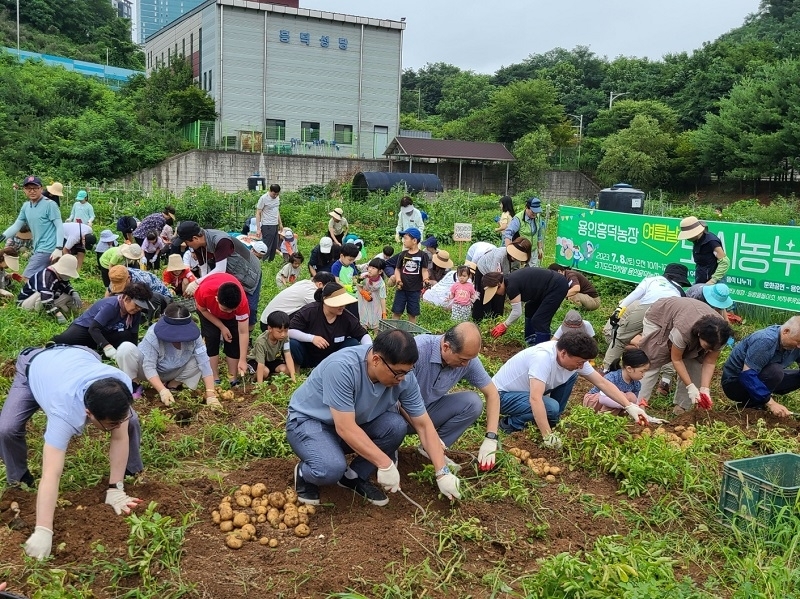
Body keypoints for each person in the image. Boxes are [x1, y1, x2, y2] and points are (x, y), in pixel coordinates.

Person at [286, 329, 461, 506]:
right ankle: (305, 473)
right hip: (310, 422)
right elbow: (345, 428)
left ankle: (353, 476)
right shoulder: (343, 368)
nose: (402, 379)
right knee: (330, 468)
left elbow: (423, 424)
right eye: (398, 373)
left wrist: (442, 472)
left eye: (407, 372)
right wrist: (385, 463)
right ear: (376, 360)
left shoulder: (404, 377)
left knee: (395, 426)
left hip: (350, 424)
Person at [0, 345, 143, 560]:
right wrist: (43, 529)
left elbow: (120, 436)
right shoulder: (63, 412)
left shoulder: (118, 382)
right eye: (110, 423)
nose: (117, 425)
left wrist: (116, 489)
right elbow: (51, 473)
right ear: (89, 414)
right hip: (35, 366)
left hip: (79, 354)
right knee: (6, 429)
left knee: (130, 421)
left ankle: (129, 472)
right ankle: (18, 481)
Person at [492, 331, 650, 446]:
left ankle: (552, 419)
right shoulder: (542, 358)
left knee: (572, 375)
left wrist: (629, 406)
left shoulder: (574, 359)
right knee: (551, 406)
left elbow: (602, 383)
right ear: (563, 353)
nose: (582, 365)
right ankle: (510, 424)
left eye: (584, 362)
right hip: (500, 396)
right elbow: (535, 398)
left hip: (523, 393)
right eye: (580, 362)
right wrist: (548, 436)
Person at [411, 324, 501, 471]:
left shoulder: (467, 361)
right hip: (401, 412)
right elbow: (396, 398)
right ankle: (389, 452)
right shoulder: (418, 350)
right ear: (446, 347)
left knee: (473, 403)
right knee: (394, 424)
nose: (466, 364)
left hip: (428, 410)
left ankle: (431, 451)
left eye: (469, 360)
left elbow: (492, 394)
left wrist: (491, 437)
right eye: (462, 360)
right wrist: (429, 433)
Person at [634, 297, 733, 414]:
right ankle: (638, 407)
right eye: (707, 346)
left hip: (685, 317)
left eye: (714, 348)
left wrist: (704, 388)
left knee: (695, 364)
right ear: (699, 334)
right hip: (660, 317)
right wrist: (690, 387)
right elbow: (676, 359)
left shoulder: (720, 336)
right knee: (652, 360)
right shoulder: (683, 331)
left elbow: (710, 362)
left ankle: (681, 409)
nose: (710, 350)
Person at [115, 303, 220, 408]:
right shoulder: (153, 334)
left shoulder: (194, 336)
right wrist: (162, 391)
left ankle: (172, 385)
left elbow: (204, 362)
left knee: (198, 359)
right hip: (144, 370)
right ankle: (134, 385)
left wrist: (210, 394)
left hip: (172, 372)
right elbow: (149, 366)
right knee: (125, 348)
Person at [601, 263, 691, 378]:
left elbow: (634, 295)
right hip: (672, 312)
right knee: (667, 345)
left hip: (649, 306)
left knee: (620, 337)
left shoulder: (653, 280)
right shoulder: (681, 293)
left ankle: (606, 370)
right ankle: (665, 380)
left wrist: (618, 311)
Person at [177, 222, 263, 329]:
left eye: (186, 242)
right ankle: (230, 330)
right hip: (230, 274)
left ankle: (247, 335)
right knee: (227, 303)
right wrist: (201, 286)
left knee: (249, 308)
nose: (186, 245)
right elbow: (204, 270)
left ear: (195, 238)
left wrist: (196, 282)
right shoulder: (198, 246)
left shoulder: (220, 240)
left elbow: (220, 270)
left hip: (248, 273)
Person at [721, 316, 800, 417]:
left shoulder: (795, 344)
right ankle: (753, 406)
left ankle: (762, 397)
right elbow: (746, 375)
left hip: (762, 376)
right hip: (735, 384)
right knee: (775, 372)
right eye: (798, 342)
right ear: (786, 331)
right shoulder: (766, 340)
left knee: (777, 373)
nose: (799, 346)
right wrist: (771, 403)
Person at [52, 283, 153, 360]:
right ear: (126, 299)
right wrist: (107, 346)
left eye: (140, 307)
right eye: (136, 305)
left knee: (125, 335)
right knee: (65, 340)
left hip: (108, 331)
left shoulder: (136, 313)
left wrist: (134, 352)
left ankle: (99, 352)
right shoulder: (111, 306)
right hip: (87, 328)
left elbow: (133, 334)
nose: (138, 309)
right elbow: (94, 329)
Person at [289, 282, 371, 368]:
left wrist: (368, 351)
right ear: (325, 300)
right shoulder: (309, 311)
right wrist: (312, 338)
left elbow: (363, 335)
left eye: (344, 303)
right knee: (293, 344)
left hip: (333, 359)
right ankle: (297, 366)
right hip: (308, 355)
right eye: (338, 303)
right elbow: (290, 331)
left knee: (353, 343)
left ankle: (335, 366)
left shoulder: (347, 317)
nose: (342, 306)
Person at [482, 267, 570, 346]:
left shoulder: (511, 286)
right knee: (529, 308)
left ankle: (543, 349)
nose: (496, 294)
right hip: (546, 289)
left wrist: (504, 325)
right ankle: (531, 340)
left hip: (556, 286)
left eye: (495, 291)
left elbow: (517, 312)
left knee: (540, 320)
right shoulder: (509, 280)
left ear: (498, 285)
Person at [1, 176, 64, 279]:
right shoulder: (26, 206)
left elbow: (59, 226)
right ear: (24, 190)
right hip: (38, 246)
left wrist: (59, 248)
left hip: (48, 247)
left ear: (41, 189)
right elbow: (16, 225)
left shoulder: (50, 205)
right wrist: (2, 236)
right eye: (28, 188)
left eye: (35, 188)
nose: (32, 191)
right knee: (46, 278)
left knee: (27, 278)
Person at [193, 273, 250, 385]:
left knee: (234, 338)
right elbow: (203, 310)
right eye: (225, 309)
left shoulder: (241, 303)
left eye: (232, 310)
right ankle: (214, 377)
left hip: (232, 317)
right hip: (209, 312)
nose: (228, 312)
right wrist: (222, 327)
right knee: (212, 337)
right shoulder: (205, 292)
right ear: (216, 299)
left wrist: (243, 359)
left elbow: (243, 332)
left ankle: (232, 377)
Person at [473, 239, 532, 321]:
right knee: (483, 296)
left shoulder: (518, 260)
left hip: (501, 274)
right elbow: (495, 277)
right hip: (485, 271)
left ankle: (497, 319)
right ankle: (479, 320)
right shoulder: (500, 255)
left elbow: (515, 273)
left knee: (500, 296)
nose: (514, 257)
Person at [583, 348, 650, 415]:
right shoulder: (612, 377)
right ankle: (602, 418)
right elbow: (602, 399)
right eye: (642, 371)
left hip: (614, 403)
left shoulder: (636, 384)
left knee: (631, 397)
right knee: (621, 396)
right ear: (629, 369)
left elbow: (634, 401)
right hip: (594, 401)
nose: (643, 375)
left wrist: (642, 412)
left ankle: (612, 418)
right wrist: (626, 405)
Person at [17, 254, 81, 324]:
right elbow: (45, 298)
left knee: (69, 296)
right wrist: (58, 314)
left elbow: (65, 286)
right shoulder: (47, 276)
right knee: (41, 293)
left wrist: (73, 292)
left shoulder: (60, 276)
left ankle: (60, 311)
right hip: (26, 303)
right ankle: (40, 315)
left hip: (44, 300)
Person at [107, 265, 173, 323]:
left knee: (152, 297)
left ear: (129, 278)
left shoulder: (140, 280)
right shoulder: (117, 276)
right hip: (142, 299)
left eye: (122, 284)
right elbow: (109, 294)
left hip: (162, 299)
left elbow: (146, 297)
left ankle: (152, 321)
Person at [391, 227, 431, 324]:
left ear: (414, 240)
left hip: (415, 290)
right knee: (397, 311)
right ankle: (392, 331)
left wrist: (426, 279)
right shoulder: (403, 254)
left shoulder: (423, 255)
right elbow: (397, 269)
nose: (403, 241)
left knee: (412, 313)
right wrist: (398, 280)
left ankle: (412, 334)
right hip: (401, 289)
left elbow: (424, 270)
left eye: (405, 238)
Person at [677, 216, 730, 285]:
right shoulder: (697, 241)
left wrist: (713, 280)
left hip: (714, 283)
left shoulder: (712, 242)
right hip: (701, 278)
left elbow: (724, 262)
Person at [251, 310, 296, 383]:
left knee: (287, 370)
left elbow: (288, 356)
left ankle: (271, 376)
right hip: (257, 361)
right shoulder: (261, 342)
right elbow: (260, 364)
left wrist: (293, 376)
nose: (283, 334)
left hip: (273, 360)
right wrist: (260, 385)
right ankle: (253, 377)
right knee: (264, 372)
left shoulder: (285, 338)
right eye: (280, 331)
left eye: (286, 331)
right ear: (270, 329)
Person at [503, 197, 545, 266]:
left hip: (533, 251)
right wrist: (510, 251)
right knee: (520, 272)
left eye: (536, 211)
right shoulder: (518, 219)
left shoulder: (538, 217)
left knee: (533, 271)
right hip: (521, 250)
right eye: (533, 211)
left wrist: (540, 248)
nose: (535, 214)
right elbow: (508, 234)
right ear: (526, 207)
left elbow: (539, 234)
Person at [357, 258, 387, 331]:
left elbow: (382, 298)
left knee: (376, 321)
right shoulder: (364, 276)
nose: (370, 269)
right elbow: (358, 285)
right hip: (364, 301)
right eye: (369, 267)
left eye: (373, 268)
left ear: (380, 271)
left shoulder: (381, 283)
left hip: (375, 302)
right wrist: (363, 292)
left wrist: (384, 313)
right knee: (363, 321)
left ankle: (376, 339)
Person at [256, 183, 283, 262]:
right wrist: (258, 228)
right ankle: (263, 261)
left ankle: (270, 261)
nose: (275, 196)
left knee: (274, 245)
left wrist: (280, 223)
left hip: (275, 224)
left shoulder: (277, 198)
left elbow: (277, 210)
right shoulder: (263, 198)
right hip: (267, 225)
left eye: (277, 194)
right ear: (270, 191)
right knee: (267, 245)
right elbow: (258, 213)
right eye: (274, 194)